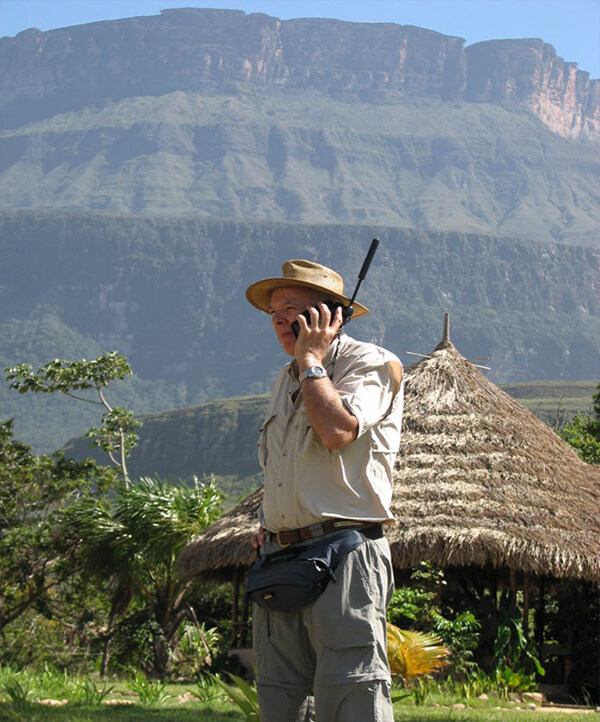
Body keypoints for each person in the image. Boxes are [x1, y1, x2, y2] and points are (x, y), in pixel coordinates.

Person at [245, 258, 404, 722]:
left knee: (352, 695)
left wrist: (313, 361)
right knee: (281, 702)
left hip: (345, 554)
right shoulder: (283, 379)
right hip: (280, 561)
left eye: (292, 308)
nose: (278, 319)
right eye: (273, 312)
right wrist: (270, 522)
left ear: (330, 316)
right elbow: (285, 467)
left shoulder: (371, 362)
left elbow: (336, 431)